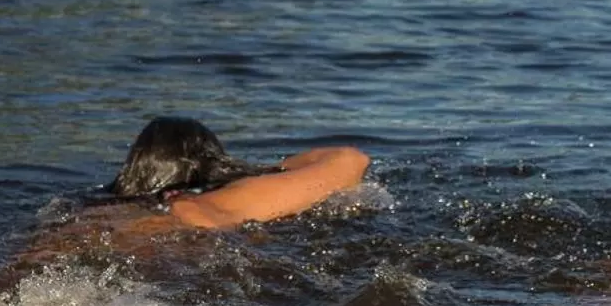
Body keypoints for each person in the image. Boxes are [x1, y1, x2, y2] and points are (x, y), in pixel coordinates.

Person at [21, 117, 370, 262]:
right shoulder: (222, 200)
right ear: (211, 163)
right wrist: (258, 170)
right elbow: (350, 159)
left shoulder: (91, 209)